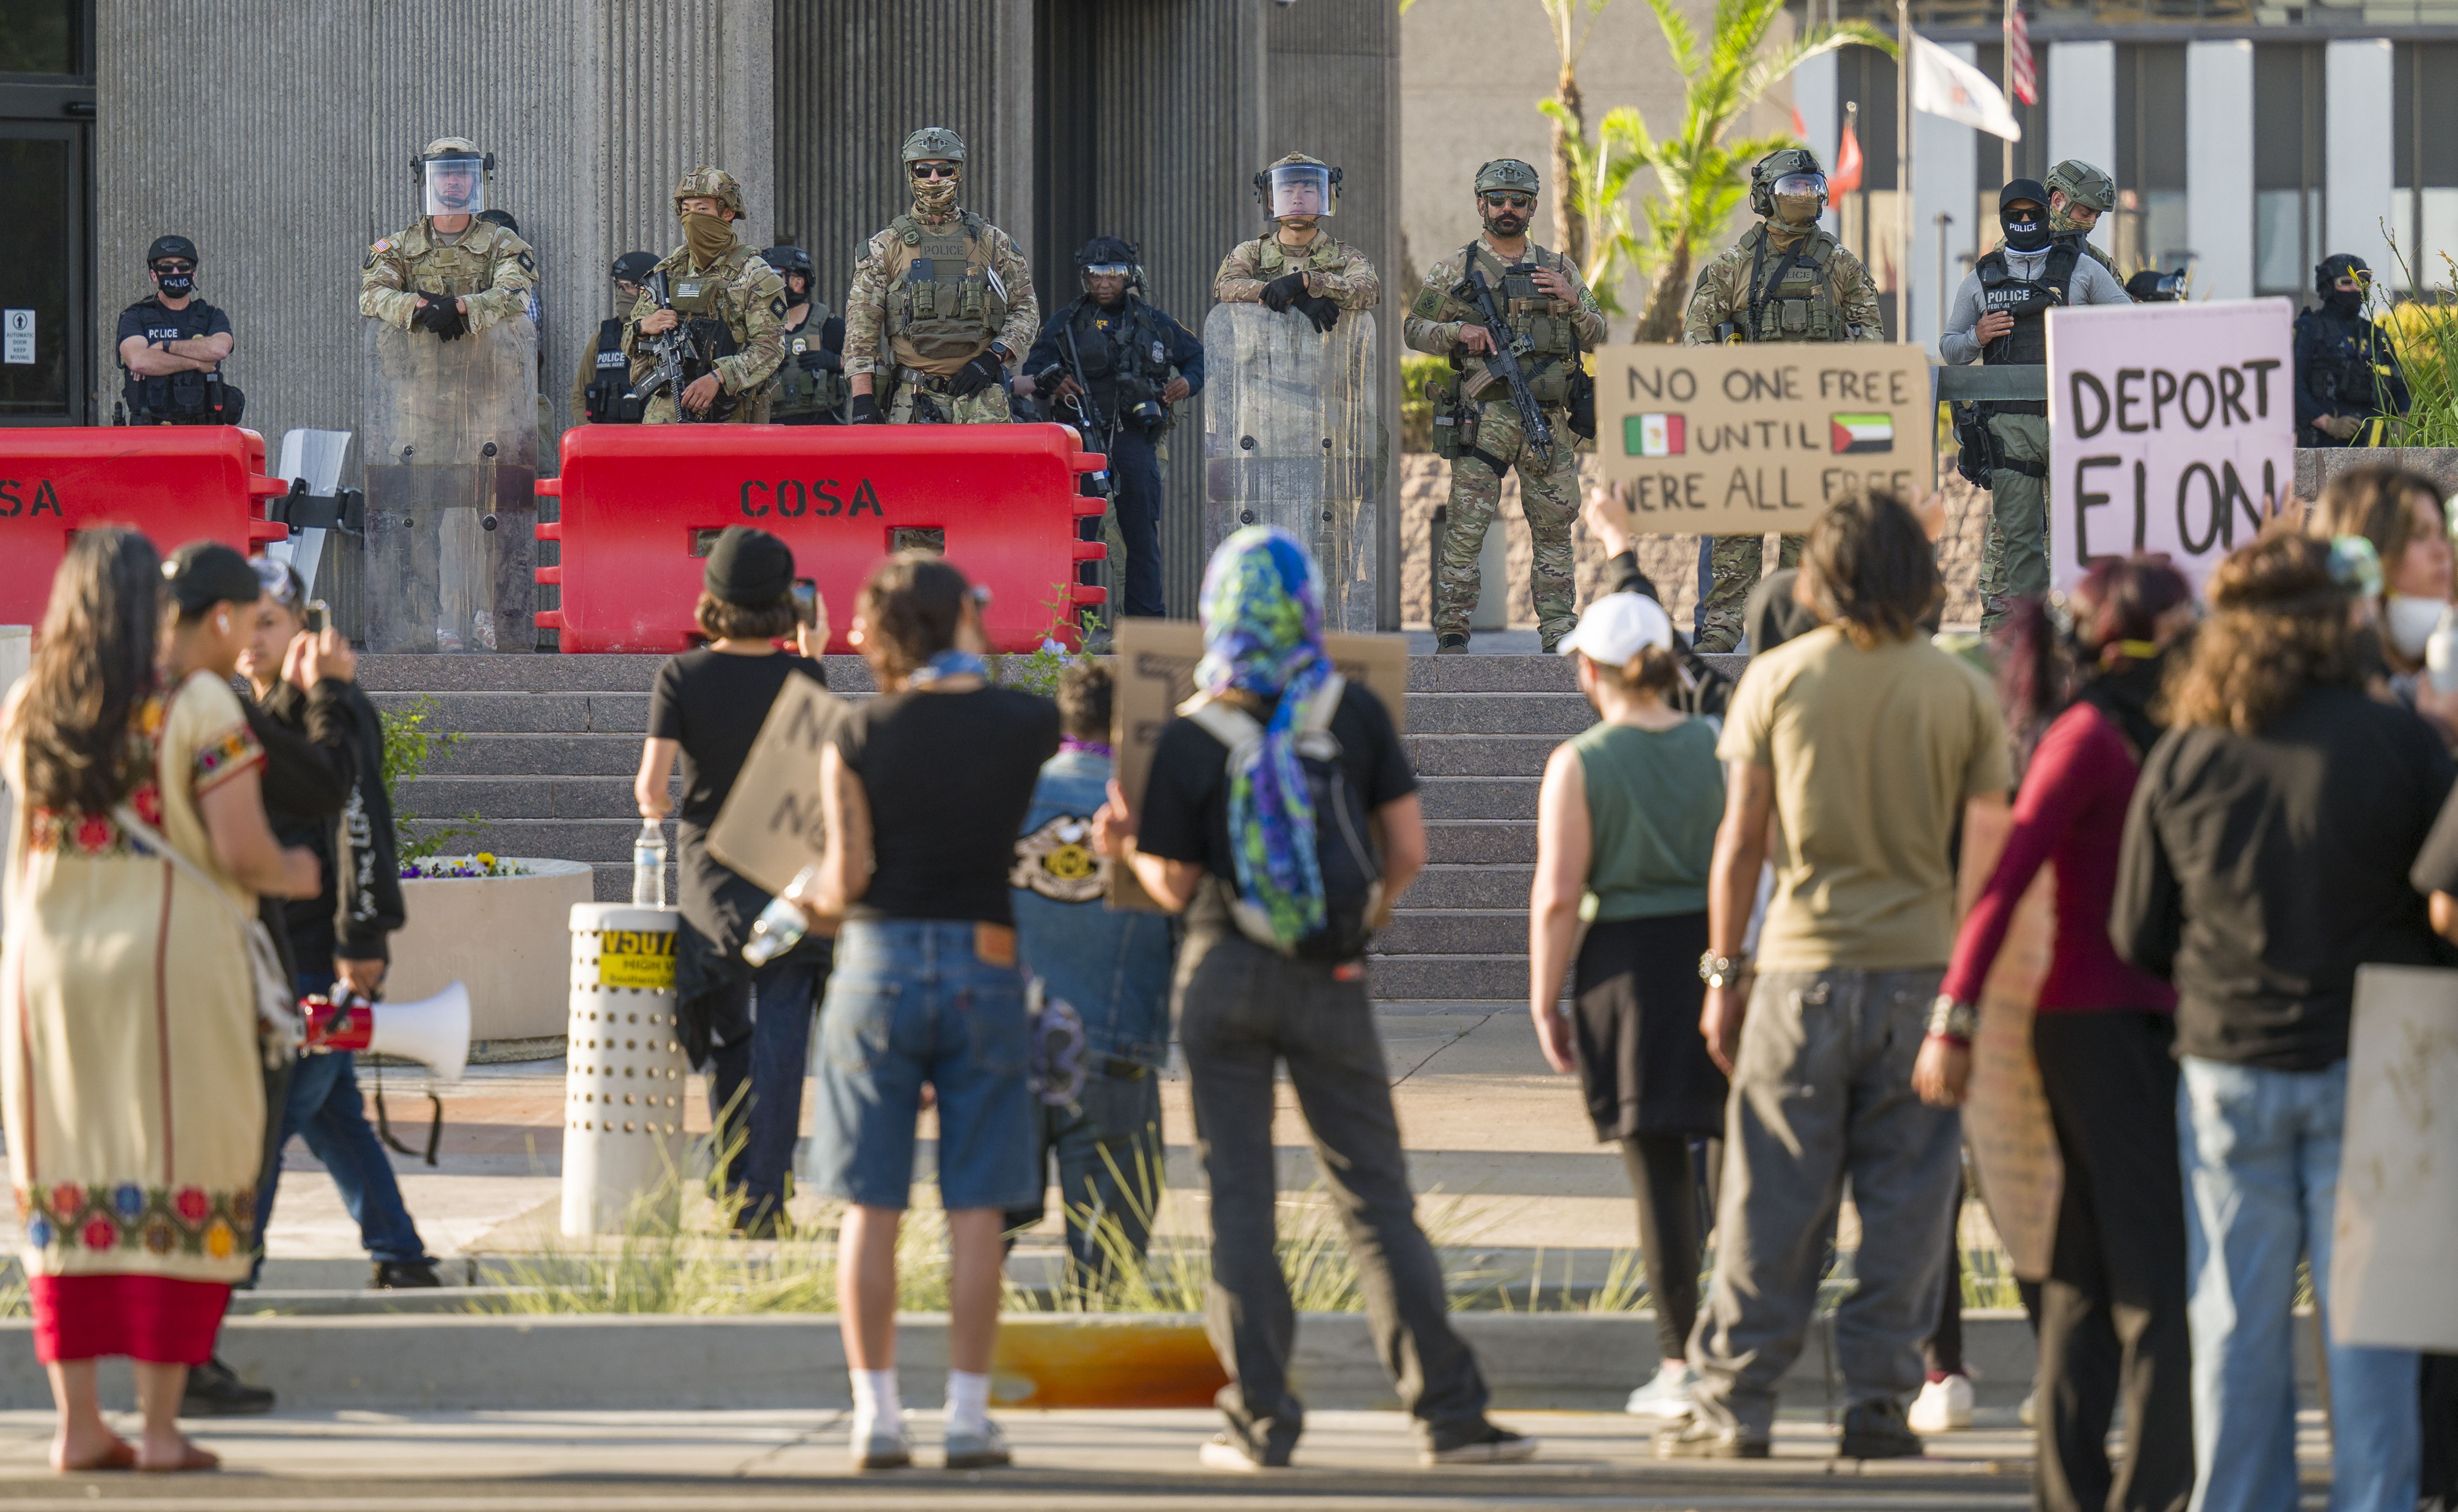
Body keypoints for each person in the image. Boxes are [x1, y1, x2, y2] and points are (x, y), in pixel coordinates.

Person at [1091, 526, 1535, 1471]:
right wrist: (1346, 932)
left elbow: (1172, 888)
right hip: (1327, 980)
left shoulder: (1189, 734)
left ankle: (1261, 1421)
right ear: (1306, 605)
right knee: (1374, 1195)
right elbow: (1408, 851)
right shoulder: (1354, 710)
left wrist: (1124, 844)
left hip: (1220, 978)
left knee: (1240, 1202)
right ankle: (1448, 1414)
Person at [1660, 493, 2013, 1460]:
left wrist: (1722, 973)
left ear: (1816, 577)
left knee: (1770, 1198)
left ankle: (1738, 1401)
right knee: (1908, 1201)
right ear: (1920, 578)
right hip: (1920, 978)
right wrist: (1963, 999)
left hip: (1798, 975)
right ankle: (1880, 1401)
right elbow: (1986, 864)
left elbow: (1740, 847)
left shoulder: (1776, 681)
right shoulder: (1961, 694)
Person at [2113, 528, 2443, 1512]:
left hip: (2225, 1062)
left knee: (2232, 1322)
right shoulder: (2401, 744)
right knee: (2369, 1333)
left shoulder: (2185, 755)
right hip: (2369, 1064)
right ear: (2340, 626)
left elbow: (2136, 929)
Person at [2, 531, 319, 1473]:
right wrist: (304, 870)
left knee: (68, 1177)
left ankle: (77, 1424)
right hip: (170, 963)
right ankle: (163, 1428)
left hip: (49, 963)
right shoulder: (199, 704)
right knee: (184, 1160)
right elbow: (244, 851)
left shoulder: (29, 707)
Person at [1917, 559, 2196, 1512]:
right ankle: (2149, 1488)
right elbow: (2006, 876)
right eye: (2184, 622)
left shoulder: (2141, 729)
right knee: (2157, 1273)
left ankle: (2071, 1491)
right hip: (2098, 1029)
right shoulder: (2089, 737)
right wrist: (1953, 1015)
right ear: (2133, 638)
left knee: (2078, 1273)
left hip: (2116, 1023)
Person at [803, 554, 1058, 1471]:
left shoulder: (855, 732)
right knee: (976, 1204)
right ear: (960, 620)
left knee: (870, 1206)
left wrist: (802, 908)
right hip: (984, 964)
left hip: (874, 963)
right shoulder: (1024, 721)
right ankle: (965, 1413)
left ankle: (876, 1415)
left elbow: (845, 881)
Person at [1527, 591, 1727, 1424]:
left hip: (1624, 974)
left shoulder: (1581, 761)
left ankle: (1680, 1357)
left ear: (1592, 670)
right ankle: (1733, 1337)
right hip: (1715, 958)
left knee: (1656, 1173)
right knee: (1725, 1153)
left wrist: (1546, 997)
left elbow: (1558, 895)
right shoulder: (1716, 744)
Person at [238, 560, 435, 1288]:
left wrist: (363, 937)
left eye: (270, 620)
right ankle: (401, 1254)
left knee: (270, 1120)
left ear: (303, 629)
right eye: (242, 619)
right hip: (277, 952)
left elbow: (361, 824)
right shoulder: (247, 715)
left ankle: (231, 1268)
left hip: (318, 957)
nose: (252, 637)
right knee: (335, 1116)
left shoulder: (331, 711)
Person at [636, 527, 831, 1235]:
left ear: (713, 597)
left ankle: (730, 1169)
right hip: (788, 879)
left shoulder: (681, 676)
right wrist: (813, 654)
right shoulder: (805, 679)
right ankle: (765, 1198)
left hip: (711, 881)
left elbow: (651, 790)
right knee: (784, 1036)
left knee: (729, 1036)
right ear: (789, 603)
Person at [1002, 660, 1176, 1284]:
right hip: (1115, 1050)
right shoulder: (1156, 809)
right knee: (1108, 1269)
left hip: (1007, 1048)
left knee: (980, 1248)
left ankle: (964, 1377)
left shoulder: (1009, 794)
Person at [1682, 149, 1884, 652]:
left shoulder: (1840, 264)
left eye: (1812, 188)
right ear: (1765, 198)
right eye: (1794, 190)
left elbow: (1873, 340)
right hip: (1750, 422)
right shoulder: (1734, 265)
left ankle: (1798, 630)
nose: (1806, 197)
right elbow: (1696, 336)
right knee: (1736, 530)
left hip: (1815, 423)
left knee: (1811, 534)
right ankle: (1724, 627)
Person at [1406, 159, 1606, 654]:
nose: (1508, 209)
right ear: (1481, 204)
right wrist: (1458, 332)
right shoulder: (1457, 268)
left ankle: (1559, 629)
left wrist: (1573, 300)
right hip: (1485, 417)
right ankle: (1453, 630)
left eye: (1519, 201)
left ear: (1533, 206)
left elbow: (1599, 334)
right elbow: (1414, 328)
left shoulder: (1558, 268)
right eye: (1498, 200)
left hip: (1548, 421)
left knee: (1556, 528)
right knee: (1466, 527)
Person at [1940, 179, 2134, 633]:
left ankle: (2083, 633)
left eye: (2033, 214)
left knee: (2080, 537)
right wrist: (1978, 336)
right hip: (2009, 428)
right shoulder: (1983, 276)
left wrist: (2082, 328)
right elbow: (1951, 349)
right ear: (2004, 218)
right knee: (2018, 541)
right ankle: (2024, 646)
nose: (2026, 222)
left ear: (2048, 212)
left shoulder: (2082, 269)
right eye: (2016, 215)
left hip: (2075, 421)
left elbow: (2129, 321)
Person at [1015, 236, 1204, 620]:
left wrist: (1188, 382)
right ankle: (1070, 623)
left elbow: (1198, 356)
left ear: (1129, 276)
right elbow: (1033, 372)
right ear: (1085, 277)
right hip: (1080, 440)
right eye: (1096, 275)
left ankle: (1144, 629)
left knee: (1141, 539)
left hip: (1135, 439)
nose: (1104, 283)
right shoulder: (1066, 323)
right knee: (1075, 538)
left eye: (1114, 274)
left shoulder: (1153, 321)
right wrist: (1055, 380)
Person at [843, 127, 1039, 426]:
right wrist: (863, 399)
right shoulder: (886, 246)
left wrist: (993, 359)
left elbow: (1027, 310)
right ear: (911, 174)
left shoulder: (992, 242)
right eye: (924, 170)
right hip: (912, 402)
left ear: (958, 172)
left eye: (944, 169)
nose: (934, 179)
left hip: (982, 401)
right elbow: (861, 331)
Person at [624, 167, 787, 425]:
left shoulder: (755, 274)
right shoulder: (668, 271)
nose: (691, 218)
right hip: (666, 413)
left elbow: (770, 349)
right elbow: (628, 340)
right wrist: (644, 327)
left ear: (727, 214)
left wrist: (719, 377)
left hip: (727, 411)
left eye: (702, 210)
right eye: (686, 210)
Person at [2302, 466, 2457, 724]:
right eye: (2420, 535)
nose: (2443, 551)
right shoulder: (2331, 702)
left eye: (2442, 533)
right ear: (2364, 550)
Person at [358, 137, 534, 346]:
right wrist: (421, 305)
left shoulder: (502, 244)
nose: (453, 181)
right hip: (417, 374)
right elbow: (371, 295)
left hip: (486, 371)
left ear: (477, 180)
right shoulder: (398, 248)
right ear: (426, 179)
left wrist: (460, 306)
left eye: (463, 172)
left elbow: (516, 293)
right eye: (442, 173)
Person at [1212, 152, 1381, 321]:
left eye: (1308, 191)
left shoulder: (1347, 257)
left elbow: (1369, 290)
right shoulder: (1251, 253)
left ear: (1323, 200)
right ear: (1272, 201)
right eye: (1287, 191)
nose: (1297, 199)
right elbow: (1227, 285)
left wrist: (1308, 281)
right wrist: (1295, 297)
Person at [116, 234, 241, 426]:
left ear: (194, 273)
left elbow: (219, 349)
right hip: (149, 436)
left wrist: (164, 347)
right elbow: (139, 361)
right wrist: (198, 363)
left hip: (202, 435)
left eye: (183, 267)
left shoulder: (212, 316)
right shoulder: (136, 316)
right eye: (167, 267)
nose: (175, 273)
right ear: (154, 275)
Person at [2295, 254, 2410, 449]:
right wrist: (2328, 423)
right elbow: (2293, 386)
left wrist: (2404, 421)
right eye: (2346, 282)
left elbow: (2400, 385)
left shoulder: (2375, 334)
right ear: (2329, 285)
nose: (2355, 289)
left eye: (2361, 283)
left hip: (2373, 442)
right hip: (2321, 443)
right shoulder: (2310, 329)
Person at [760, 244, 849, 426]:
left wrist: (837, 362)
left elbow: (868, 369)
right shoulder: (757, 330)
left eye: (775, 275)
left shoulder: (831, 328)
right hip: (772, 437)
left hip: (824, 436)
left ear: (798, 283)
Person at [573, 251, 655, 424]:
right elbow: (580, 396)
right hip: (606, 443)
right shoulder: (602, 339)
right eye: (618, 286)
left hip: (650, 442)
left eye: (629, 287)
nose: (621, 293)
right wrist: (591, 436)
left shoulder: (666, 338)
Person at [2043, 159, 2120, 276]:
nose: (2092, 223)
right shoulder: (2015, 252)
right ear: (2058, 201)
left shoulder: (2100, 262)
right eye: (2085, 214)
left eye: (2097, 217)